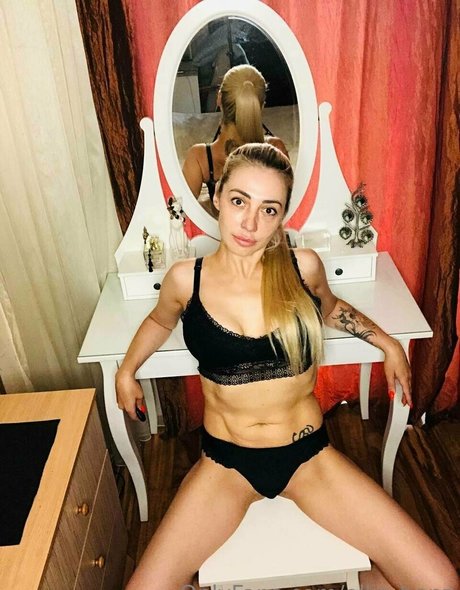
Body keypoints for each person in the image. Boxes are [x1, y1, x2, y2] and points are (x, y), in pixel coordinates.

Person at [116, 143, 459, 590]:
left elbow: (332, 308)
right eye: (239, 201)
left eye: (268, 209)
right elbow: (159, 321)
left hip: (307, 457)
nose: (250, 223)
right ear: (216, 197)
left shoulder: (303, 268)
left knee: (439, 581)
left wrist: (389, 343)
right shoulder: (186, 279)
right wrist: (126, 369)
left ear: (281, 217)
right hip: (226, 465)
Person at [182, 64, 288, 217]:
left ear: (219, 98)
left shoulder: (199, 157)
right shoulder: (276, 149)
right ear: (261, 106)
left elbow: (180, 215)